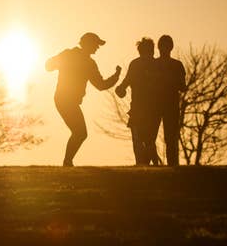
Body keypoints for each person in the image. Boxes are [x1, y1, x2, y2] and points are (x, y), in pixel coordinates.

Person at [46, 32, 121, 166]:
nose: (97, 48)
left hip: (65, 100)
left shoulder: (83, 60)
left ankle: (67, 161)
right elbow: (101, 85)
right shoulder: (83, 60)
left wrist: (115, 76)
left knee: (80, 133)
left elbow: (100, 85)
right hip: (64, 100)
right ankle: (67, 162)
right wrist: (116, 76)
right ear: (88, 44)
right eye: (96, 45)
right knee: (80, 133)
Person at [115, 37, 160, 165]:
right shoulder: (156, 65)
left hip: (140, 109)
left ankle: (142, 165)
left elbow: (125, 84)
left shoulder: (136, 64)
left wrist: (120, 89)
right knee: (149, 140)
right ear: (152, 50)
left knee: (140, 140)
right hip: (153, 110)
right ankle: (151, 166)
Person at [152, 35, 186, 166]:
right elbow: (183, 87)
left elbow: (183, 87)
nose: (164, 49)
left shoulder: (176, 65)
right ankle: (154, 165)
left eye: (165, 46)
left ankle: (171, 166)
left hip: (169, 106)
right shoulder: (175, 65)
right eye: (163, 46)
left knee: (169, 138)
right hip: (157, 105)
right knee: (151, 138)